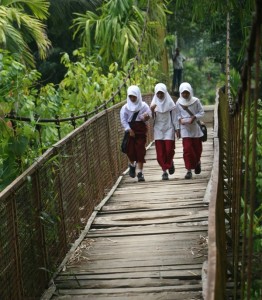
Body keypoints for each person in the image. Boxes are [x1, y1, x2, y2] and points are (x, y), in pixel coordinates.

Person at [120, 85, 151, 182]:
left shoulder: (144, 105)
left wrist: (145, 117)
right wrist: (129, 130)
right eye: (130, 96)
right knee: (130, 150)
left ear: (138, 95)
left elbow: (148, 116)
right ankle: (132, 165)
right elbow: (123, 120)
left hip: (141, 131)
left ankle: (140, 173)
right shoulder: (125, 108)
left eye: (134, 96)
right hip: (130, 132)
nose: (132, 98)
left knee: (140, 151)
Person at [150, 83, 180, 181]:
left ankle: (170, 162)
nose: (159, 95)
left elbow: (175, 117)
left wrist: (177, 129)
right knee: (160, 153)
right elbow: (150, 119)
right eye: (158, 94)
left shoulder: (170, 104)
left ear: (165, 93)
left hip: (169, 128)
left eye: (161, 93)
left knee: (169, 149)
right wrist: (151, 110)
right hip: (158, 129)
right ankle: (164, 171)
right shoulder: (153, 105)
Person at [176, 82, 205, 179]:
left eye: (187, 93)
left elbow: (201, 112)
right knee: (187, 149)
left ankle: (197, 162)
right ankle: (188, 170)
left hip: (195, 127)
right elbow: (177, 114)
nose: (185, 95)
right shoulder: (178, 102)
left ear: (190, 92)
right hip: (185, 128)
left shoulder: (196, 101)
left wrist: (194, 117)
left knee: (197, 149)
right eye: (183, 93)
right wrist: (180, 120)